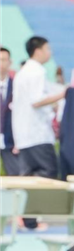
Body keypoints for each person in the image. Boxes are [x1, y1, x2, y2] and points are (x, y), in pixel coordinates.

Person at [10, 36, 65, 178]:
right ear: (38, 51)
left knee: (28, 176)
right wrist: (63, 94)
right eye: (47, 49)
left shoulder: (23, 72)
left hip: (24, 136)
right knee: (49, 174)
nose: (50, 52)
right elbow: (36, 100)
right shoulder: (37, 71)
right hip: (38, 135)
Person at [0, 46, 21, 176]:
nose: (1, 63)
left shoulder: (17, 86)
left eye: (4, 60)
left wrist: (19, 141)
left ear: (10, 62)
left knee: (15, 176)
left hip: (10, 141)